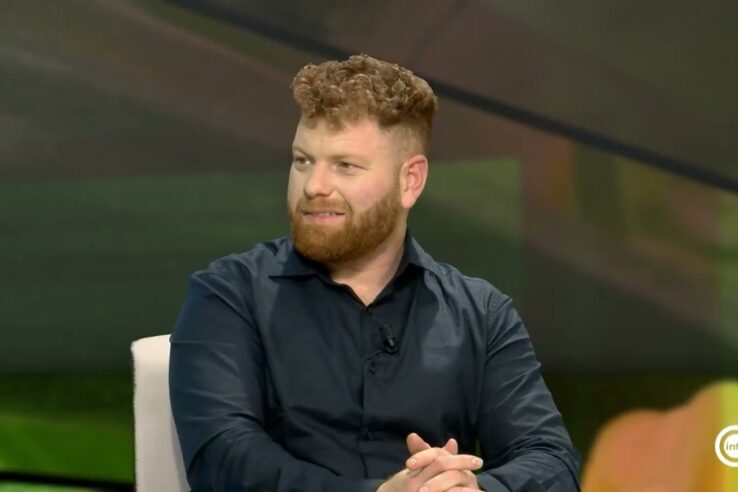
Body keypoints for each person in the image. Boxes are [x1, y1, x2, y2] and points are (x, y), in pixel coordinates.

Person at [169, 53, 581, 492]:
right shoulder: (229, 294)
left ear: (410, 181)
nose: (314, 186)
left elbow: (553, 460)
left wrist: (473, 490)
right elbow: (224, 458)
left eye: (344, 165)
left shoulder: (481, 314)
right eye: (303, 160)